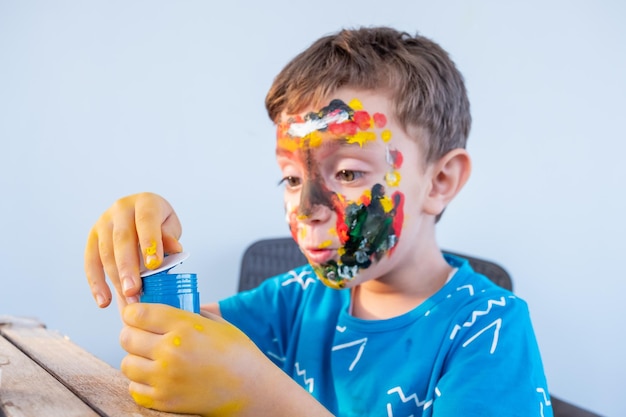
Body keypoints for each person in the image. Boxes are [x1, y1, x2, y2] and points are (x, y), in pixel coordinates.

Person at [84, 26, 553, 417]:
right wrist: (152, 251)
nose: (307, 206)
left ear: (440, 181)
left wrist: (265, 398)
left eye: (348, 172)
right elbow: (180, 343)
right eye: (290, 178)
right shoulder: (297, 299)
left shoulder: (490, 330)